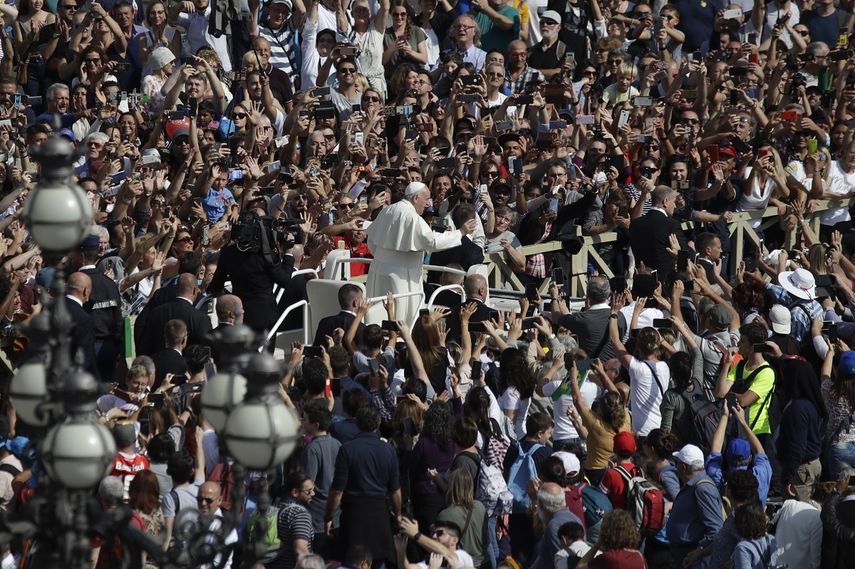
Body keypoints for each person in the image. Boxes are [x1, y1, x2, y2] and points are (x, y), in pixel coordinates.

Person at [365, 182, 477, 325]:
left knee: (377, 312)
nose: (427, 204)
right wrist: (461, 232)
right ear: (415, 198)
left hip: (379, 269)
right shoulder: (411, 216)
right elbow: (432, 242)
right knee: (400, 314)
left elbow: (372, 242)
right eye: (426, 199)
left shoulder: (388, 210)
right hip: (401, 275)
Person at [326, 405, 401, 567]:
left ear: (357, 423)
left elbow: (337, 491)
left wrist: (329, 516)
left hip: (354, 518)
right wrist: (398, 514)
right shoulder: (389, 450)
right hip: (380, 517)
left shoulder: (347, 450)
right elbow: (395, 490)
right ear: (378, 423)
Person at [666, 444, 724, 569]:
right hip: (683, 555)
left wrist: (699, 551)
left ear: (683, 467)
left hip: (694, 559)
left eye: (678, 463)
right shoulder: (693, 486)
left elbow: (716, 529)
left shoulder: (702, 488)